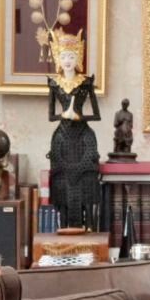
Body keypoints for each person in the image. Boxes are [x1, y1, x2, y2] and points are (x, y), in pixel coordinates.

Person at [46, 28, 100, 228]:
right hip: (61, 137)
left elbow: (96, 115)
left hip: (83, 135)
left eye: (71, 56)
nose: (68, 60)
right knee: (62, 188)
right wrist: (64, 115)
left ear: (78, 58)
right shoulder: (54, 84)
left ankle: (88, 227)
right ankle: (64, 227)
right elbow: (51, 115)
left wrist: (78, 115)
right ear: (58, 58)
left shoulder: (85, 83)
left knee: (87, 185)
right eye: (64, 56)